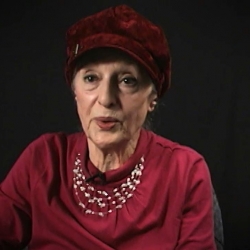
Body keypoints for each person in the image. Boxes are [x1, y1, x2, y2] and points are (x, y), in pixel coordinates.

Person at [0, 4, 216, 250]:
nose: (106, 98)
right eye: (91, 78)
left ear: (152, 98)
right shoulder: (44, 158)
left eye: (127, 81)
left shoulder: (185, 171)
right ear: (75, 92)